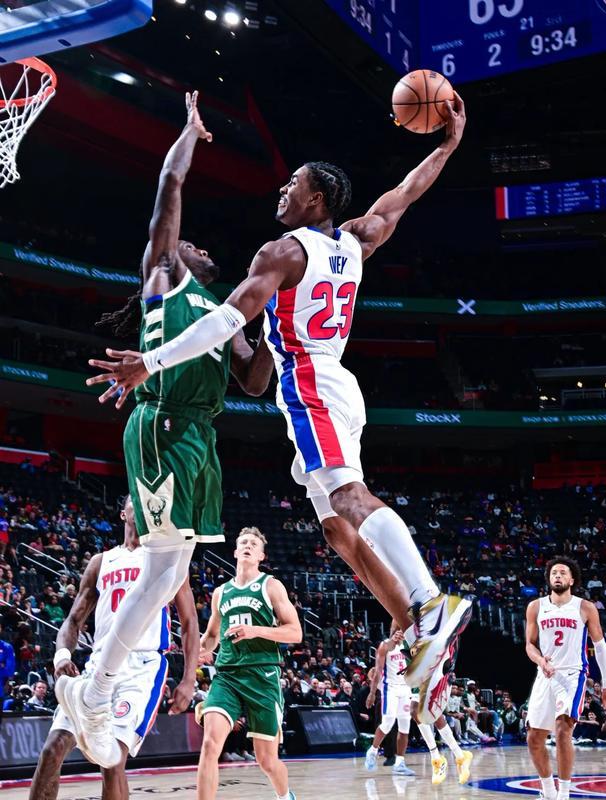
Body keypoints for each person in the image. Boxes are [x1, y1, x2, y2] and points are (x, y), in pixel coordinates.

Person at [88, 92, 471, 710]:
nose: (284, 190)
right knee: (337, 528)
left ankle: (430, 602)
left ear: (315, 199)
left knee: (348, 498)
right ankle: (412, 628)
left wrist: (149, 362)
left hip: (310, 381)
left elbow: (229, 319)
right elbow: (404, 193)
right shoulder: (358, 239)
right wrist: (448, 144)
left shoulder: (282, 252)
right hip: (336, 380)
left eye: (294, 184)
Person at [57, 92, 273, 768]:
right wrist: (188, 132)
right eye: (187, 242)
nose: (192, 243)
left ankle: (95, 688)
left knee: (173, 568)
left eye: (198, 246)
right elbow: (169, 184)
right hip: (164, 424)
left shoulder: (223, 312)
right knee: (161, 567)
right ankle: (95, 688)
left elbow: (254, 381)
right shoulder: (163, 275)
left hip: (200, 437)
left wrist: (276, 328)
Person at [30, 496, 199, 800]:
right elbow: (73, 620)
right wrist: (62, 656)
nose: (143, 503)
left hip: (141, 666)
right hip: (99, 664)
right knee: (52, 749)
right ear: (123, 513)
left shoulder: (166, 561)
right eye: (136, 499)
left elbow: (189, 622)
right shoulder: (101, 562)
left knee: (112, 760)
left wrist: (189, 679)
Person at [196, 527, 301, 800]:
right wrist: (195, 651)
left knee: (267, 761)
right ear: (235, 551)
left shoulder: (271, 586)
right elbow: (212, 637)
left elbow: (295, 632)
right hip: (227, 676)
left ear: (261, 556)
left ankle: (285, 796)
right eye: (243, 542)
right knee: (210, 745)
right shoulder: (221, 592)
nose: (247, 546)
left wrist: (255, 631)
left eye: (254, 544)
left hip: (262, 675)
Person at [525, 557, 606, 800]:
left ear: (572, 580)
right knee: (534, 738)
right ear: (549, 578)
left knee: (563, 729)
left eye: (563, 572)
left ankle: (564, 795)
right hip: (545, 673)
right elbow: (530, 645)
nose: (558, 575)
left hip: (573, 674)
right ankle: (548, 792)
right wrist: (540, 661)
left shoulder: (585, 607)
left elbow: (600, 646)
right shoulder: (535, 606)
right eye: (554, 572)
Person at [411, 642, 473, 785]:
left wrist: (449, 666)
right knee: (416, 711)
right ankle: (450, 755)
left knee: (431, 712)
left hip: (437, 669)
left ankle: (451, 756)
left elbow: (454, 639)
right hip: (420, 669)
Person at [364, 624, 415, 776]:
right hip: (390, 688)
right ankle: (373, 751)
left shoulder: (410, 645)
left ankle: (400, 763)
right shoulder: (385, 646)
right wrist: (372, 693)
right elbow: (378, 671)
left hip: (405, 688)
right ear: (393, 631)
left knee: (405, 726)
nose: (400, 633)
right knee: (388, 722)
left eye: (402, 630)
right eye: (397, 630)